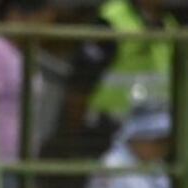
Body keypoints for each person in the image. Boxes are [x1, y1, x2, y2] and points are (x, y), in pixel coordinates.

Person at [65, 0, 176, 140]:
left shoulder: (170, 23)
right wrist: (72, 138)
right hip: (106, 131)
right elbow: (79, 84)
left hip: (154, 131)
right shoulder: (111, 20)